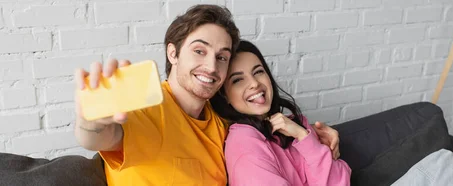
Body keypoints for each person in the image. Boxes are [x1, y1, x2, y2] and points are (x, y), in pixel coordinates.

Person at [72, 4, 341, 186]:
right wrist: (92, 119)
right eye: (199, 51)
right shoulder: (147, 109)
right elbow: (98, 137)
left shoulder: (223, 124)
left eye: (221, 57)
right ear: (173, 53)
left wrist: (317, 140)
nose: (212, 66)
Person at [210, 40, 351, 186]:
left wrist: (303, 136)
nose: (254, 83)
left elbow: (341, 181)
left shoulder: (294, 125)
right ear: (225, 95)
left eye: (258, 72)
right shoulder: (244, 144)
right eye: (238, 80)